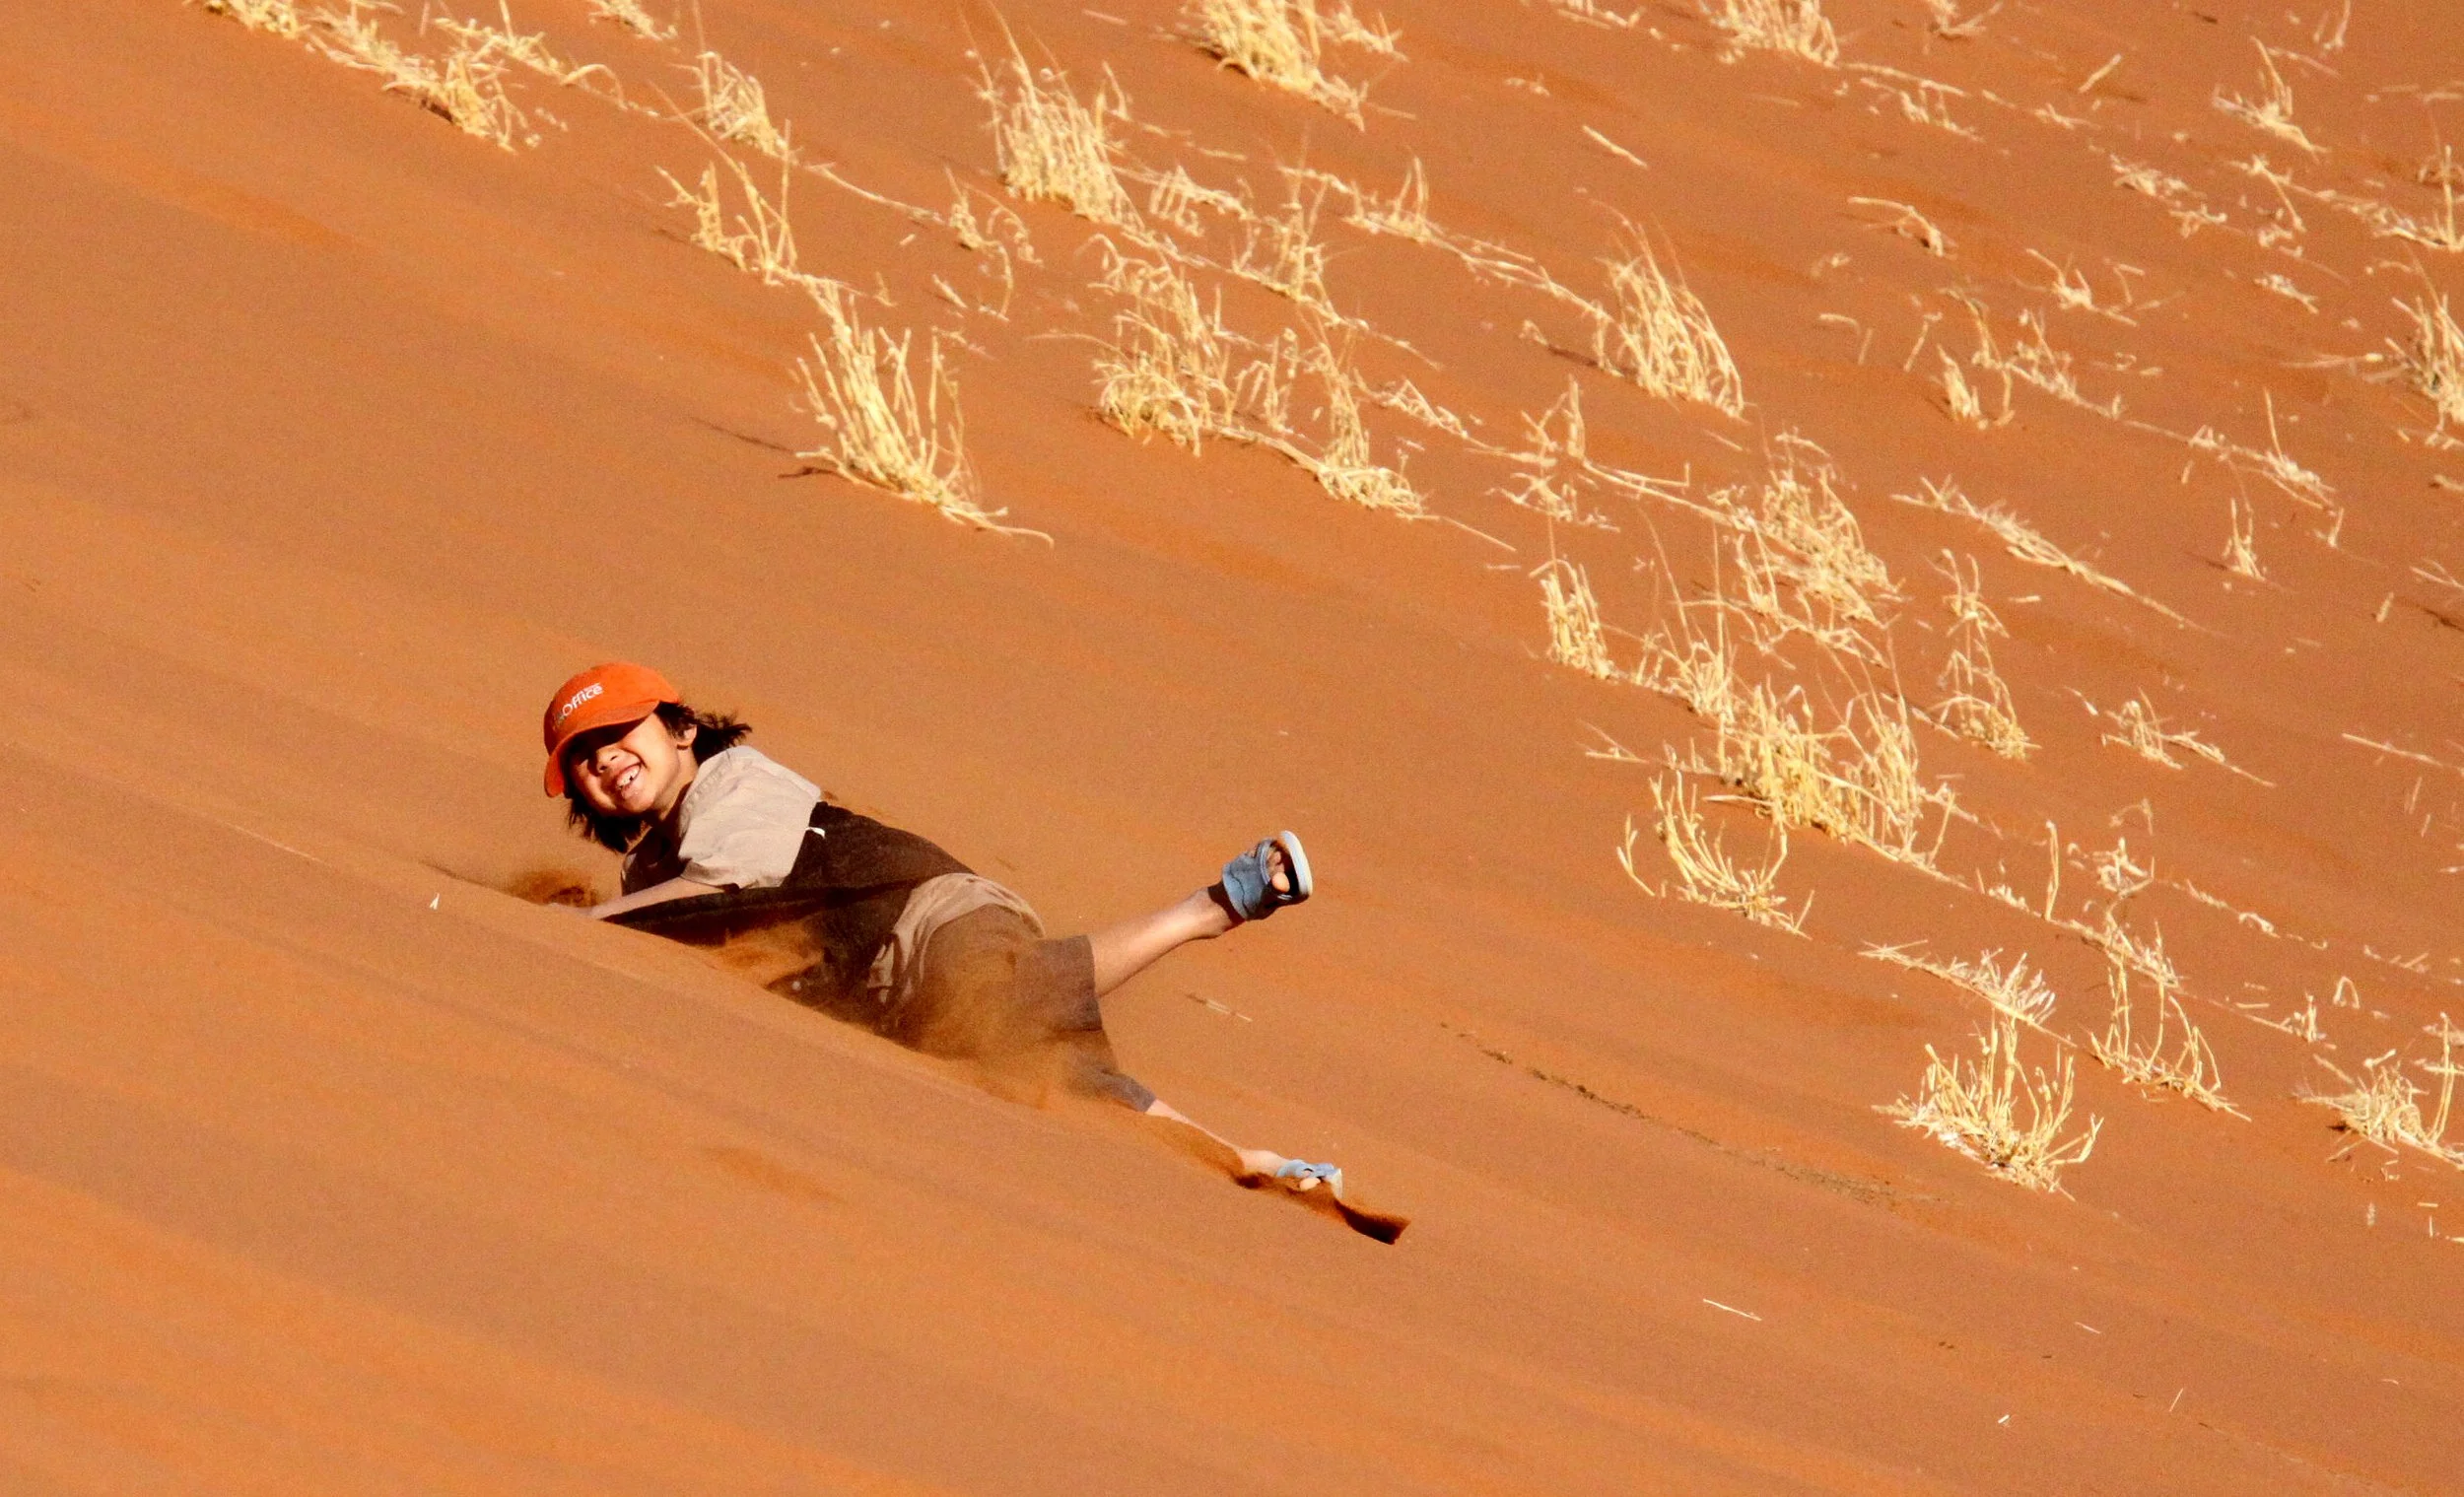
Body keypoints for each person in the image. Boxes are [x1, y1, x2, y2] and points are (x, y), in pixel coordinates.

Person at [538, 662, 1397, 1232]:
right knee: (1061, 1080)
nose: (607, 759)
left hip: (934, 923)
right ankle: (1257, 1164)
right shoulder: (647, 869)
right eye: (584, 758)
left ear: (682, 728)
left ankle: (1212, 905)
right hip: (896, 996)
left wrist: (577, 933)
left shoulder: (730, 782)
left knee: (1000, 1000)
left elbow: (728, 886)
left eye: (622, 733)